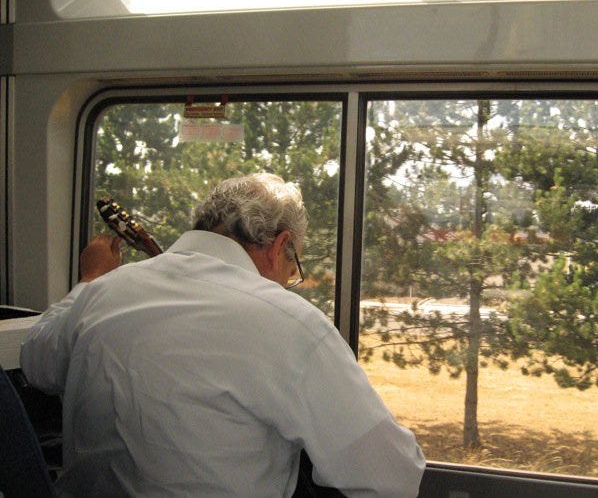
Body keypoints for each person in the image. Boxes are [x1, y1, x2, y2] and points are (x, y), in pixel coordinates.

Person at [21, 173, 425, 497]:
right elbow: (390, 477)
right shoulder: (291, 324)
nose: (288, 280)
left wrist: (89, 280)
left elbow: (36, 364)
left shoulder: (103, 292)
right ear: (280, 246)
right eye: (293, 266)